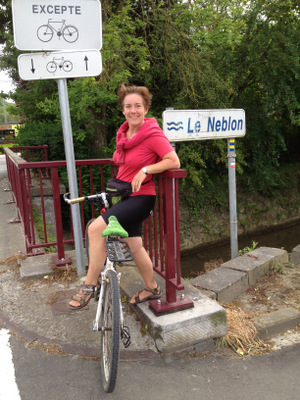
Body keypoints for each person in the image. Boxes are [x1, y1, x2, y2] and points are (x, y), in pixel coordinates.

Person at [69, 84, 180, 309]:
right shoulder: (125, 133)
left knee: (95, 229)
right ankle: (152, 288)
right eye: (128, 106)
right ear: (123, 110)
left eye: (138, 106)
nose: (133, 110)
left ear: (146, 108)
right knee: (134, 245)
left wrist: (146, 169)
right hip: (124, 195)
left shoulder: (152, 134)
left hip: (141, 197)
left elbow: (173, 160)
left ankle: (89, 285)